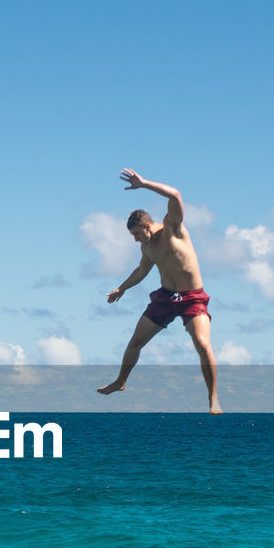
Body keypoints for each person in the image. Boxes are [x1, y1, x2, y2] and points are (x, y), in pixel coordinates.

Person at [98, 169, 222, 413]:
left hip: (192, 297)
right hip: (166, 297)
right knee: (135, 343)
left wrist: (143, 184)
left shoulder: (172, 228)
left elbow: (175, 195)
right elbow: (142, 271)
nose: (135, 240)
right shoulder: (147, 248)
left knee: (203, 344)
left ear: (147, 226)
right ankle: (121, 381)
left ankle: (213, 398)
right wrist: (121, 288)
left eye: (136, 234)